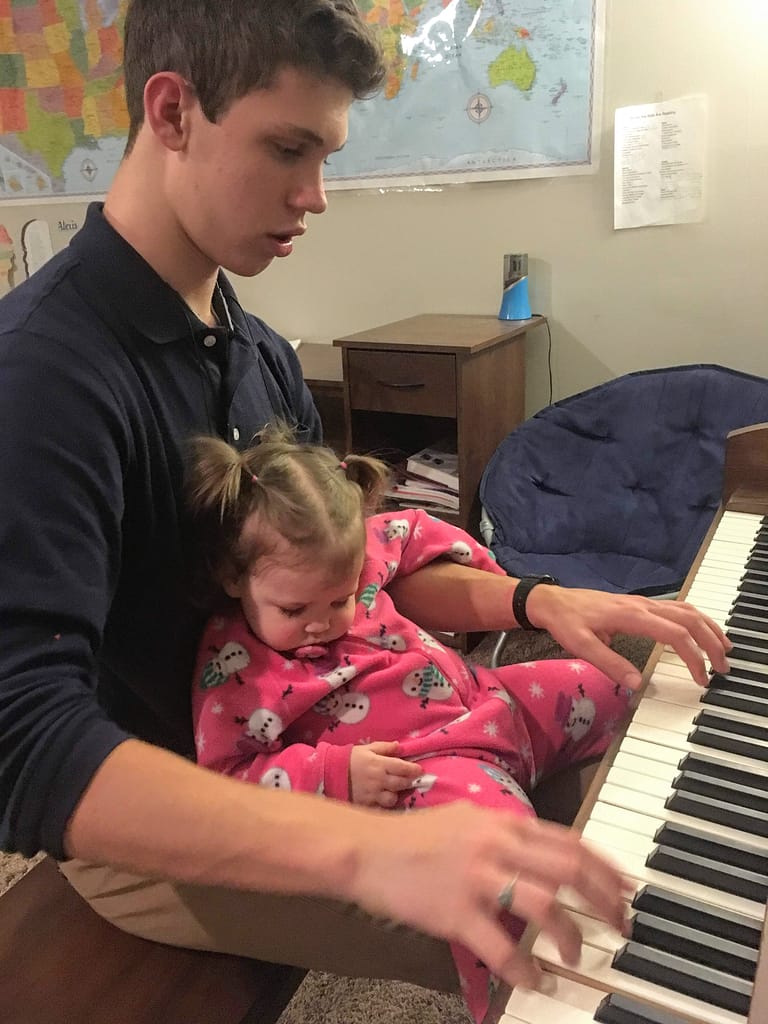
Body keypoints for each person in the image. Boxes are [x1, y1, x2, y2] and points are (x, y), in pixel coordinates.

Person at [0, 0, 730, 1004]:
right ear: (171, 113)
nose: (317, 195)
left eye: (327, 155)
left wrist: (533, 601)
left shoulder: (252, 352)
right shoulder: (42, 377)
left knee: (630, 757)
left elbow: (352, 561)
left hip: (340, 719)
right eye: (289, 148)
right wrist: (364, 848)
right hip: (180, 804)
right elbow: (24, 744)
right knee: (573, 937)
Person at [186, 425, 640, 1021]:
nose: (322, 622)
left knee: (616, 683)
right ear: (232, 577)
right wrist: (334, 772)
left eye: (340, 598)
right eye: (294, 610)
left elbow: (412, 530)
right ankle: (502, 1008)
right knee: (504, 880)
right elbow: (224, 776)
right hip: (430, 771)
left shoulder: (350, 550)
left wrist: (489, 568)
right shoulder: (235, 668)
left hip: (493, 700)